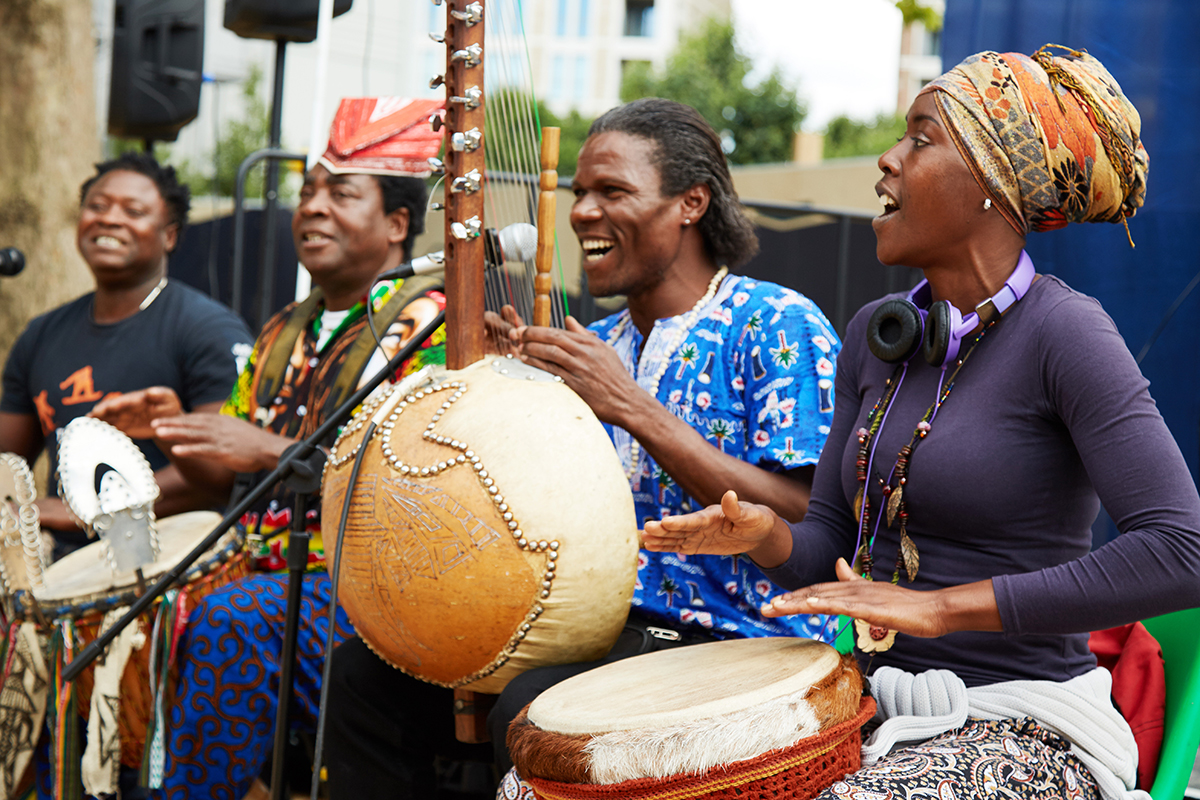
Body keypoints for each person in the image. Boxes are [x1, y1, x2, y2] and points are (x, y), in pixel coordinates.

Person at [643, 46, 1200, 800]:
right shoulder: (879, 334)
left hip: (1029, 727)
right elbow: (832, 555)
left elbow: (1181, 550)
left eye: (920, 138)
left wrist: (939, 608)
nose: (887, 159)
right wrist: (766, 538)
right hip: (873, 711)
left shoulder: (1068, 335)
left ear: (991, 184)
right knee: (547, 784)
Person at [323, 97, 842, 798]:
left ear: (691, 203)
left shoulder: (774, 322)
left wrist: (631, 407)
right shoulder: (601, 345)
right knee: (363, 678)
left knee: (528, 709)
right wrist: (514, 403)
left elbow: (809, 512)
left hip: (728, 635)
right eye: (578, 193)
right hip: (595, 630)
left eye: (612, 191)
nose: (581, 213)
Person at [88, 97, 448, 800]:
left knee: (234, 620)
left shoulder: (430, 327)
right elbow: (229, 468)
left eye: (341, 193)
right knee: (130, 598)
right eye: (309, 191)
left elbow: (418, 485)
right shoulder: (286, 326)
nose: (312, 207)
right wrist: (173, 428)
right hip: (259, 570)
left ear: (398, 224)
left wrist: (271, 450)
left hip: (367, 598)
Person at [0, 151, 253, 559]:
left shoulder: (207, 329)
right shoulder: (41, 334)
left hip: (167, 561)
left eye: (133, 211)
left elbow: (222, 471)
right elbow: (7, 462)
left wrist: (91, 509)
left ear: (169, 235)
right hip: (61, 562)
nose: (109, 218)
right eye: (97, 206)